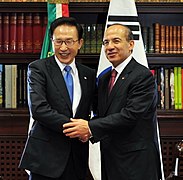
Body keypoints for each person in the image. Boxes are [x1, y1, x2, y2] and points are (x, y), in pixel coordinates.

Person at [63, 24, 161, 180]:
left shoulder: (142, 76)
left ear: (131, 44)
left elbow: (130, 115)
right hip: (110, 159)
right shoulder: (104, 77)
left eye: (116, 41)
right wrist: (86, 130)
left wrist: (89, 127)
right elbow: (102, 113)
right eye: (106, 42)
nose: (110, 47)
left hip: (136, 163)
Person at [19, 17, 96, 180]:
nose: (63, 48)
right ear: (51, 41)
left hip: (78, 159)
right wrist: (76, 128)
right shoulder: (38, 69)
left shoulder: (88, 74)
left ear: (80, 43)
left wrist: (91, 129)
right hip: (46, 159)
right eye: (58, 41)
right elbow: (39, 109)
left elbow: (96, 110)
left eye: (69, 42)